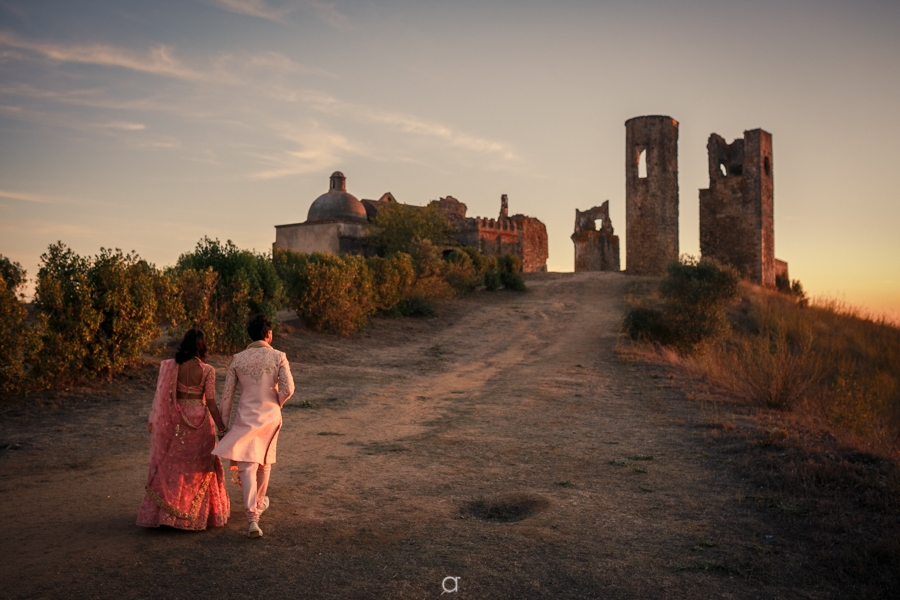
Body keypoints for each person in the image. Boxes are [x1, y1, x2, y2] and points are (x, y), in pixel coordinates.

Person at [137, 328, 230, 530]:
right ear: (202, 346)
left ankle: (168, 513)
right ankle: (196, 515)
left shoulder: (172, 367)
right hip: (201, 421)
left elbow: (165, 398)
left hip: (177, 420)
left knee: (175, 463)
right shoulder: (207, 371)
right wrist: (222, 427)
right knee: (199, 467)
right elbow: (211, 403)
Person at [213, 314, 295, 538]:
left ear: (250, 336)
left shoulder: (238, 359)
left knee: (247, 464)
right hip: (270, 416)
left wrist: (223, 426)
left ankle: (252, 517)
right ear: (268, 334)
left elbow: (227, 397)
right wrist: (276, 403)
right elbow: (288, 389)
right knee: (265, 462)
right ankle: (258, 504)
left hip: (245, 417)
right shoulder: (279, 356)